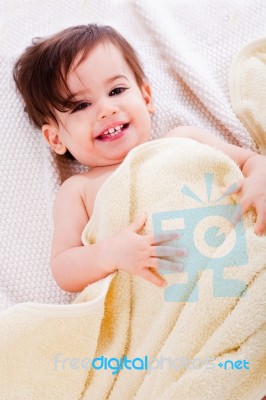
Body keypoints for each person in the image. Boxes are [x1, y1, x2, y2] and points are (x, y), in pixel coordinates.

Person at [13, 24, 266, 293]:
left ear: (146, 98)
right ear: (55, 139)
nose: (106, 110)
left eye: (116, 91)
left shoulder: (184, 139)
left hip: (243, 262)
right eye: (81, 105)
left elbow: (251, 160)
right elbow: (64, 268)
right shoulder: (79, 190)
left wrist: (259, 180)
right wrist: (109, 253)